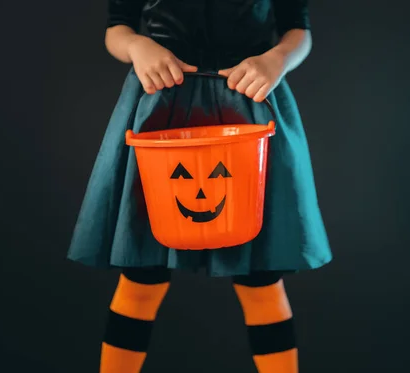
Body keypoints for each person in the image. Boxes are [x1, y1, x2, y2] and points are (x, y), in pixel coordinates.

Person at [67, 0, 332, 372]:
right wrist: (137, 47)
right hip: (161, 108)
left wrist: (277, 60)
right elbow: (118, 25)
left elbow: (297, 28)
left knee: (261, 279)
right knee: (141, 275)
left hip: (249, 105)